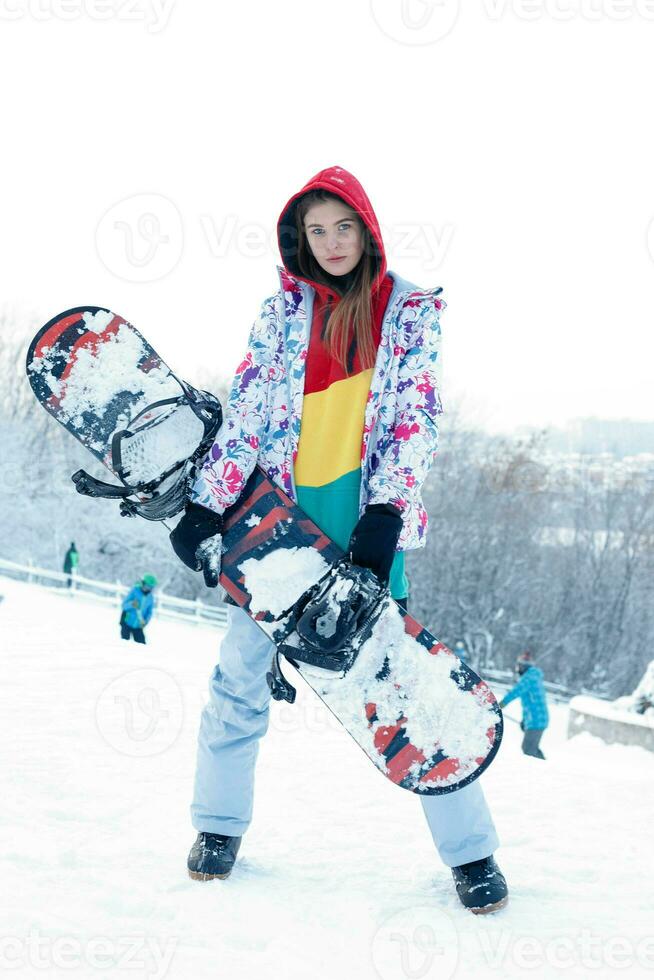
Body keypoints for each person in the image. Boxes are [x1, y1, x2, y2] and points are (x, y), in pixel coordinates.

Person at [170, 166, 508, 914]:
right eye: (315, 230)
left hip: (360, 533)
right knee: (236, 684)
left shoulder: (409, 313)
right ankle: (218, 829)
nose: (329, 243)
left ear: (368, 230)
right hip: (272, 529)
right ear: (300, 237)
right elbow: (247, 415)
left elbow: (414, 421)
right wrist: (207, 505)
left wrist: (386, 514)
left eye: (342, 227)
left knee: (406, 691)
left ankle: (471, 854)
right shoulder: (281, 312)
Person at [499, 652, 549, 759]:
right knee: (530, 748)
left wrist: (500, 705)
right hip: (536, 719)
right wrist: (526, 721)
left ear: (524, 666)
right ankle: (544, 767)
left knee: (528, 749)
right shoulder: (533, 676)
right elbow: (531, 704)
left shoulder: (529, 678)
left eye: (519, 666)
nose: (518, 669)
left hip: (537, 720)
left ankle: (545, 769)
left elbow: (515, 692)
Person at [120, 574, 157, 644]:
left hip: (138, 625)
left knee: (142, 644)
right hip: (127, 622)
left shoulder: (150, 598)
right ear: (142, 583)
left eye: (150, 587)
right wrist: (132, 604)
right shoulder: (134, 591)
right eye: (147, 586)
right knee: (124, 642)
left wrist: (145, 622)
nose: (148, 589)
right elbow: (124, 605)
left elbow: (149, 612)